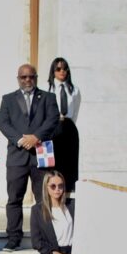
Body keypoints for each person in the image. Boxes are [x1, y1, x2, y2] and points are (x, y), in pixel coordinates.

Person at [0, 63, 58, 251]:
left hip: (41, 154)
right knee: (14, 198)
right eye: (23, 77)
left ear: (36, 78)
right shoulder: (8, 99)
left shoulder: (48, 97)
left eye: (31, 76)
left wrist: (36, 137)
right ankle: (14, 237)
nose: (27, 80)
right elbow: (3, 123)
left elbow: (53, 119)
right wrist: (21, 140)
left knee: (43, 199)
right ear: (18, 79)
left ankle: (45, 237)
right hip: (17, 156)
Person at [47, 57, 81, 191]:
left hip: (68, 127)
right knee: (54, 162)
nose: (62, 71)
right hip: (53, 126)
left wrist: (68, 123)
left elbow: (76, 111)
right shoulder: (47, 88)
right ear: (53, 71)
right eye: (58, 69)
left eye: (65, 68)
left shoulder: (74, 90)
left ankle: (68, 191)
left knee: (70, 163)